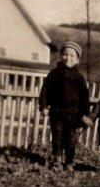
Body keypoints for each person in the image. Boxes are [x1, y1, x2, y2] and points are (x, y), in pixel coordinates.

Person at [38, 41, 90, 172]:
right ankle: (57, 160)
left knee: (70, 139)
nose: (68, 58)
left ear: (77, 59)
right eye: (65, 54)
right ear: (61, 56)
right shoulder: (54, 74)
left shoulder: (79, 77)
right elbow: (45, 90)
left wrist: (84, 114)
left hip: (73, 114)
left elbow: (84, 97)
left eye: (72, 55)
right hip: (56, 112)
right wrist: (43, 106)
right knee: (57, 136)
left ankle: (69, 162)